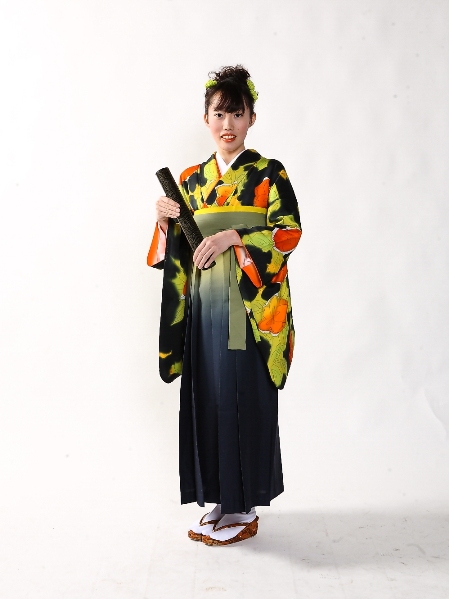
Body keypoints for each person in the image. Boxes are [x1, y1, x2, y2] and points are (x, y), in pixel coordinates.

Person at [147, 65, 302, 546]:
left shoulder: (269, 173)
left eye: (237, 113)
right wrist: (164, 220)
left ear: (252, 117)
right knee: (209, 397)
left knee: (244, 398)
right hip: (204, 307)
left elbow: (288, 233)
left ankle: (244, 505)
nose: (228, 124)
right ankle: (218, 500)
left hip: (249, 310)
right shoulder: (190, 180)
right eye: (219, 114)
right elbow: (176, 252)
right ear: (206, 119)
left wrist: (235, 235)